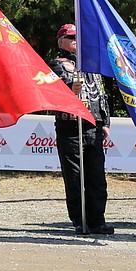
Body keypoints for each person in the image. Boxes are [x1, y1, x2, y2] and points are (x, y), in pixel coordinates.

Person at [51, 23, 114, 235]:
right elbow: (55, 90)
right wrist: (71, 88)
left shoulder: (91, 63)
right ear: (62, 42)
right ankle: (80, 220)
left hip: (92, 125)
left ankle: (98, 220)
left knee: (96, 175)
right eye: (71, 37)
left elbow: (101, 93)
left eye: (78, 36)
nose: (76, 40)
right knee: (75, 176)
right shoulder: (58, 64)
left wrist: (105, 121)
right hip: (70, 126)